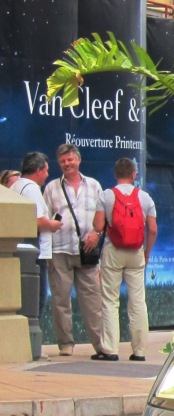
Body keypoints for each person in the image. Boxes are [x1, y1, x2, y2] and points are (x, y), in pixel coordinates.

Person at [43, 143, 109, 358]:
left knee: (93, 300)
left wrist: (97, 235)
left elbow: (103, 216)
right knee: (61, 299)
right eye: (62, 161)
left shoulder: (94, 185)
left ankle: (100, 345)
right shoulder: (52, 187)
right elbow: (45, 217)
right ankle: (65, 344)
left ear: (78, 160)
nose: (66, 164)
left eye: (70, 160)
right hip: (60, 249)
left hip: (87, 250)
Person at [93, 157, 158, 362]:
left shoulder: (106, 195)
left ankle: (110, 349)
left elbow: (98, 226)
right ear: (133, 175)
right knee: (138, 301)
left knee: (110, 300)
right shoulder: (145, 198)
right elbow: (153, 229)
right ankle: (139, 351)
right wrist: (147, 252)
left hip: (113, 250)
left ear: (116, 174)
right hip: (136, 252)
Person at [12, 153, 61, 322]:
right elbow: (39, 222)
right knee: (37, 300)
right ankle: (33, 343)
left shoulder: (16, 186)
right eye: (46, 170)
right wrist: (53, 224)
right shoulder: (32, 189)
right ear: (38, 170)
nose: (47, 175)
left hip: (23, 250)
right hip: (35, 253)